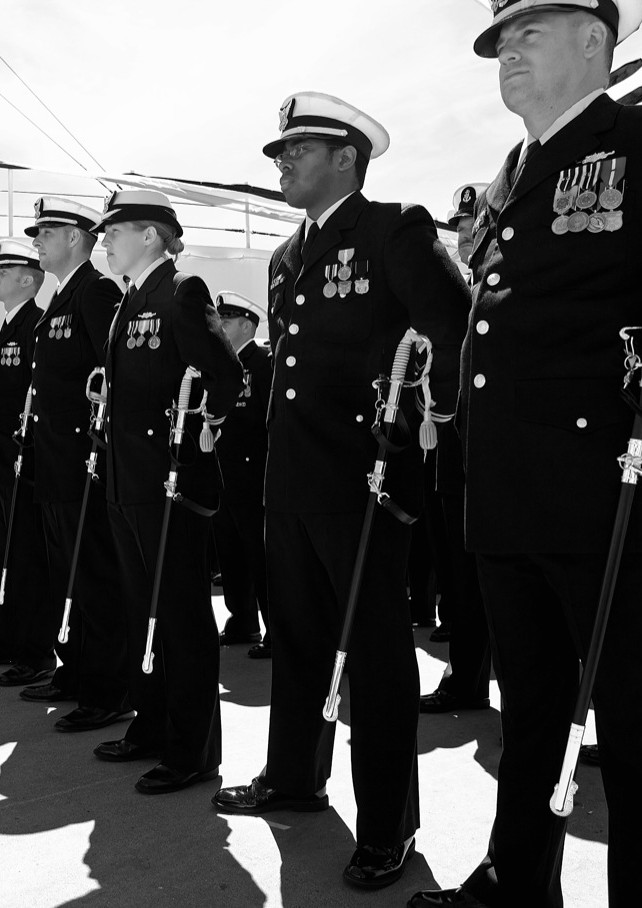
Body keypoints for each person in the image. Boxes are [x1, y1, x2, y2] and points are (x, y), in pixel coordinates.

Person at [411, 3, 642, 906]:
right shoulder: (510, 179)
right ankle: (516, 883)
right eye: (500, 42)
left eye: (529, 35)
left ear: (595, 43)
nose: (507, 54)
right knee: (530, 717)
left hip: (619, 492)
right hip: (509, 494)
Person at [212, 92, 470, 892]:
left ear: (346, 158)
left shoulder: (394, 229)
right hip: (291, 479)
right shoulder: (288, 255)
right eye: (281, 153)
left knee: (379, 662)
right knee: (297, 641)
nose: (282, 163)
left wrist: (423, 417)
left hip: (365, 479)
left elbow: (456, 326)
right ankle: (295, 776)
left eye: (297, 151)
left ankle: (389, 825)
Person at [92, 189, 243, 794]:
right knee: (141, 610)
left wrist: (198, 427)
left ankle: (193, 750)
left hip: (171, 483)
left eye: (114, 232)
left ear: (150, 235)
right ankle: (151, 724)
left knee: (179, 617)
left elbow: (227, 375)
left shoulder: (182, 291)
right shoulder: (130, 301)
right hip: (128, 480)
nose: (104, 242)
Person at [25, 197, 131, 728]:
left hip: (83, 464)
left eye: (46, 233)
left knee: (95, 577)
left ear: (75, 237)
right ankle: (77, 670)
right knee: (68, 574)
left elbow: (109, 379)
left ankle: (109, 690)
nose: (37, 242)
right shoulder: (58, 299)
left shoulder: (97, 292)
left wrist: (96, 451)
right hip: (56, 462)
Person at [0, 238, 56, 683]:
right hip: (0, 462)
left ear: (28, 279)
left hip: (21, 465)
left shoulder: (36, 326)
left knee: (24, 560)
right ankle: (7, 637)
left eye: (2, 272)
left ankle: (35, 652)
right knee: (4, 553)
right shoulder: (8, 328)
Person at [420, 184, 494, 714]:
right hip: (455, 457)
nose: (465, 237)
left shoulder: (504, 291)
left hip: (502, 466)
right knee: (461, 582)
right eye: (460, 229)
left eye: (475, 227)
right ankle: (466, 677)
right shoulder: (456, 295)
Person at [210, 291, 272, 658]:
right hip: (224, 472)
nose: (220, 327)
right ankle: (242, 619)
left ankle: (275, 627)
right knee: (231, 554)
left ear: (247, 325)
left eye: (227, 322)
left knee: (260, 556)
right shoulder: (221, 364)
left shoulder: (262, 362)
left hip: (253, 473)